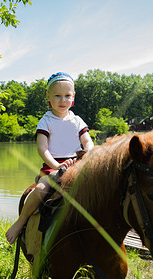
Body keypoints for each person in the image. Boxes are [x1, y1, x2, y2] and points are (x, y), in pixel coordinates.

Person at [6, 72, 94, 244]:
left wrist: (88, 154)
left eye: (67, 96)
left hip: (78, 164)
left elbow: (87, 142)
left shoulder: (77, 121)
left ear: (73, 96)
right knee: (40, 189)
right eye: (57, 96)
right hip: (53, 167)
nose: (63, 100)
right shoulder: (45, 121)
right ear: (48, 96)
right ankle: (21, 221)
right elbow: (42, 148)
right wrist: (57, 166)